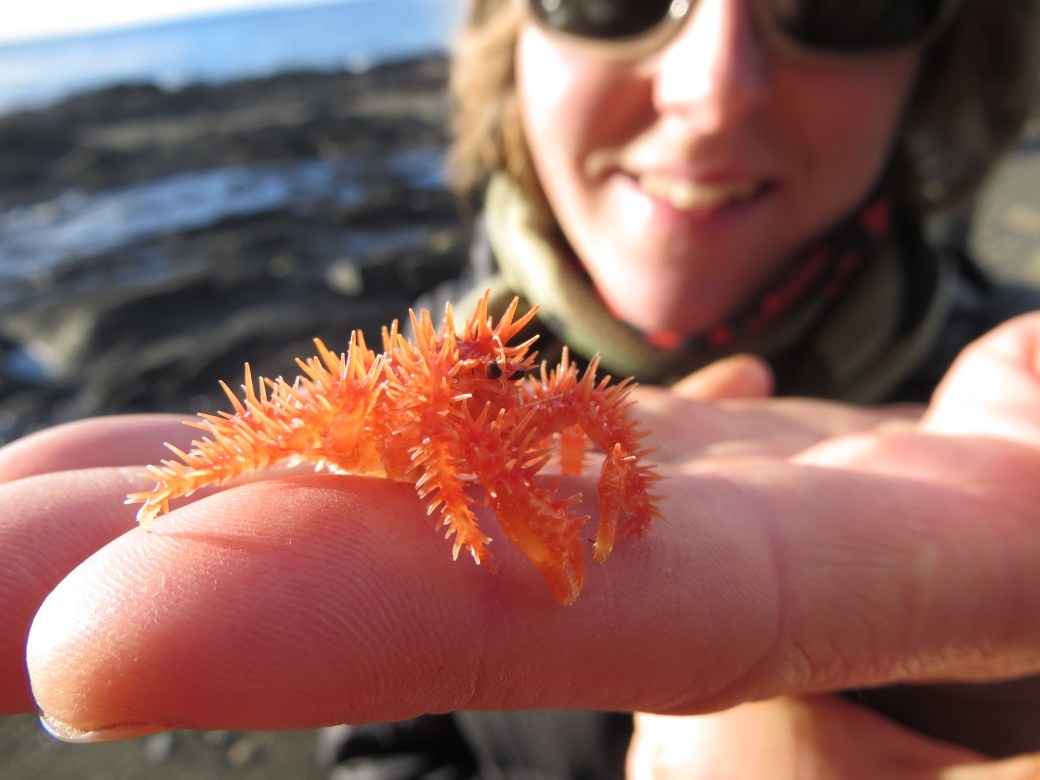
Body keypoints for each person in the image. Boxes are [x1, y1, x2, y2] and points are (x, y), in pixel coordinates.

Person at [2, 0, 1040, 778]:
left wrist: (996, 695)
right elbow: (384, 738)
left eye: (842, 3)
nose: (712, 89)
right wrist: (196, 480)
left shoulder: (1000, 413)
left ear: (942, 65)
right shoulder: (408, 359)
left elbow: (582, 433)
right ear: (507, 40)